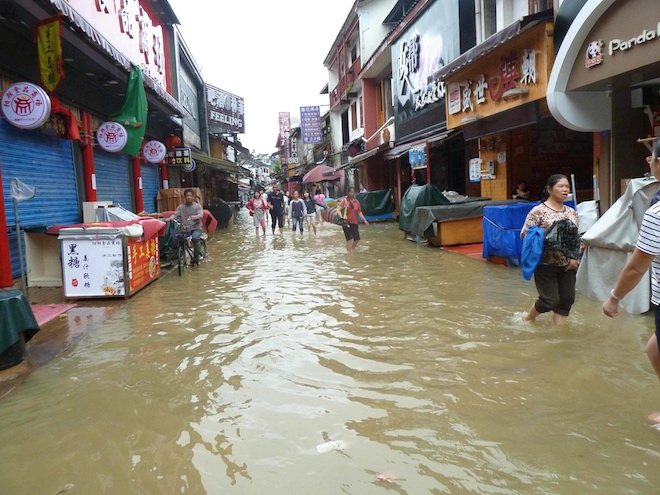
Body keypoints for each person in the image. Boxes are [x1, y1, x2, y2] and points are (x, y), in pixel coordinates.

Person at [603, 140, 660, 422]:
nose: (649, 163)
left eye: (651, 159)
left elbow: (636, 267)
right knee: (653, 348)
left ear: (658, 163)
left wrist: (614, 297)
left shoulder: (657, 214)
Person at [520, 174, 580, 325]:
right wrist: (546, 236)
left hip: (567, 264)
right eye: (561, 186)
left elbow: (575, 238)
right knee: (549, 300)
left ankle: (559, 336)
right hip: (545, 263)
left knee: (566, 300)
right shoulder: (538, 211)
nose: (565, 189)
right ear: (549, 189)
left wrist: (574, 258)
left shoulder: (571, 212)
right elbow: (524, 235)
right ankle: (528, 318)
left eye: (567, 186)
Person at [165, 188, 204, 263]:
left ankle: (197, 256)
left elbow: (201, 214)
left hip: (196, 228)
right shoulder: (181, 207)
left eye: (190, 196)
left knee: (195, 238)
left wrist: (195, 217)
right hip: (185, 229)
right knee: (175, 240)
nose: (189, 197)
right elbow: (175, 215)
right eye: (187, 196)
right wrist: (170, 218)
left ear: (193, 197)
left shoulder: (198, 206)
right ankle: (171, 260)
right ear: (184, 197)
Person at [336, 186, 369, 251]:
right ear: (348, 193)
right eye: (351, 192)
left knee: (357, 238)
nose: (352, 193)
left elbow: (359, 212)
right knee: (349, 239)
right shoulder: (344, 201)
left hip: (354, 222)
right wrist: (341, 217)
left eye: (353, 192)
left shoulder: (357, 202)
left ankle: (352, 249)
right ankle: (349, 254)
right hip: (346, 222)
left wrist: (364, 220)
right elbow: (338, 210)